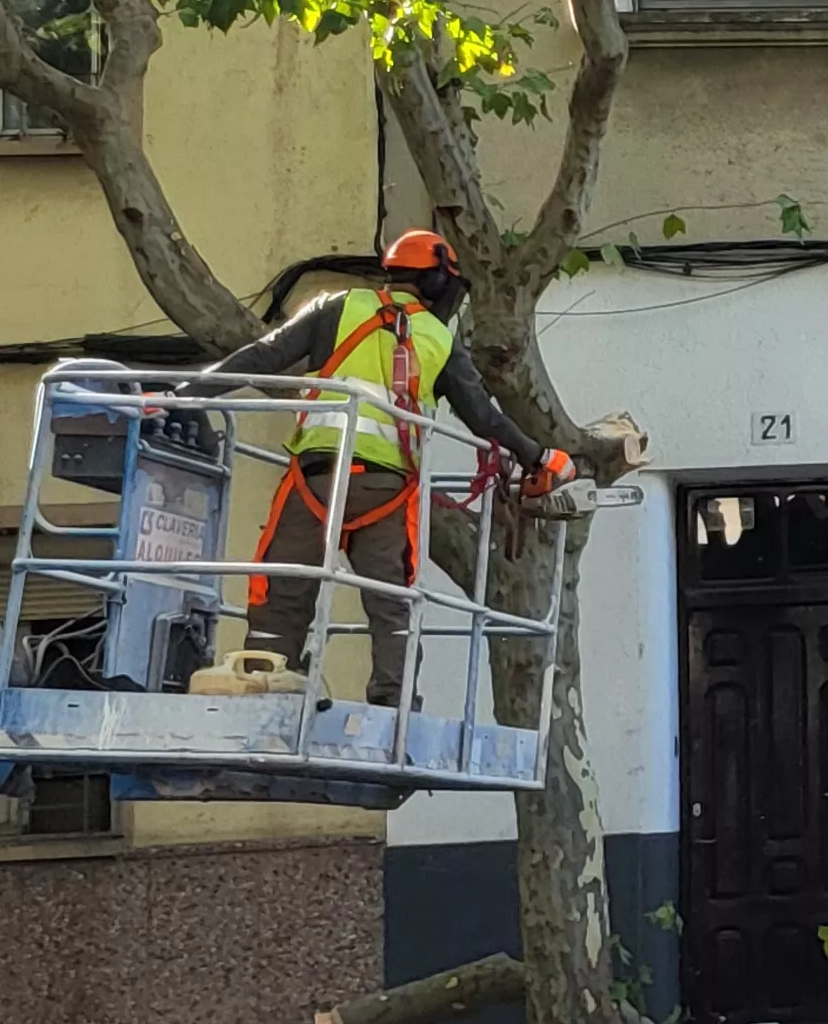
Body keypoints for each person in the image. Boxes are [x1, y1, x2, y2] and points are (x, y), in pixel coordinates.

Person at [199, 231, 566, 706]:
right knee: (391, 604)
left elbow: (262, 356)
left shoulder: (335, 307)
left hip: (315, 479)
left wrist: (178, 392)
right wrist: (541, 458)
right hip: (384, 489)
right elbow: (485, 419)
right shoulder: (438, 338)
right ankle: (394, 708)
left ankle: (263, 686)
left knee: (282, 592)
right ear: (437, 282)